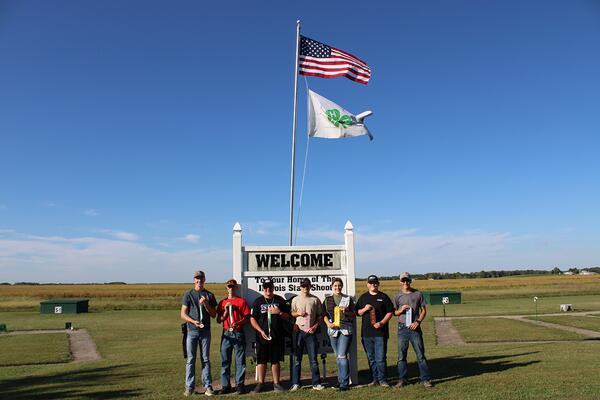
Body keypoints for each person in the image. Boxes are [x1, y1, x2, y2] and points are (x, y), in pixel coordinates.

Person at [180, 270, 218, 396]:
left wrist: (206, 303)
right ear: (194, 280)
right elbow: (183, 314)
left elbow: (213, 315)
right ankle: (189, 387)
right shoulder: (188, 294)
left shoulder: (210, 295)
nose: (199, 281)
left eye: (201, 278)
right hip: (192, 332)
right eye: (197, 278)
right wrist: (192, 321)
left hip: (205, 332)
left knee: (205, 359)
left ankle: (208, 386)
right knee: (191, 360)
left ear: (204, 280)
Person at [249, 278, 290, 393]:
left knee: (275, 360)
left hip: (277, 336)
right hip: (262, 337)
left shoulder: (280, 300)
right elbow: (252, 319)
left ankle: (276, 383)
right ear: (263, 288)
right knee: (261, 360)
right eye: (266, 287)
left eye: (270, 287)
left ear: (273, 288)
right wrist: (260, 331)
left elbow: (288, 316)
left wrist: (280, 312)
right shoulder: (258, 301)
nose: (268, 289)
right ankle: (261, 383)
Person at [393, 272, 433, 388]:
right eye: (403, 280)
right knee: (401, 356)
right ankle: (402, 379)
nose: (405, 283)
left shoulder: (418, 294)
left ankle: (425, 379)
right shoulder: (397, 296)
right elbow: (394, 312)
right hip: (402, 328)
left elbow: (424, 311)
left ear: (410, 281)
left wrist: (418, 322)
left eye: (407, 280)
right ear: (400, 281)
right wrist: (400, 310)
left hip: (415, 328)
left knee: (420, 355)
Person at [356, 274, 394, 387]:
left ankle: (383, 380)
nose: (373, 285)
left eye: (375, 283)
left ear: (378, 284)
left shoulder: (384, 297)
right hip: (366, 333)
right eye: (371, 283)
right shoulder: (363, 297)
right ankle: (374, 379)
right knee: (371, 358)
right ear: (367, 284)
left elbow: (390, 312)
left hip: (380, 333)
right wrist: (365, 309)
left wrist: (382, 322)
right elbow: (357, 313)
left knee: (380, 358)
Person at [216, 278, 250, 395]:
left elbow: (247, 318)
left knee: (240, 360)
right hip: (226, 333)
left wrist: (238, 322)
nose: (231, 288)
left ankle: (239, 385)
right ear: (226, 288)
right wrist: (225, 312)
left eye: (233, 287)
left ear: (236, 288)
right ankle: (225, 386)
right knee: (225, 360)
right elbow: (218, 320)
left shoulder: (241, 301)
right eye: (229, 286)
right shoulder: (222, 303)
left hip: (238, 332)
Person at [290, 278, 325, 391]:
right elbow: (292, 313)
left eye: (307, 286)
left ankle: (316, 383)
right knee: (296, 359)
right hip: (299, 331)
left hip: (311, 332)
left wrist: (315, 327)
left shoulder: (315, 300)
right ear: (300, 287)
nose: (305, 288)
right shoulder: (295, 299)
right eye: (303, 286)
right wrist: (298, 313)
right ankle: (296, 383)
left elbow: (320, 316)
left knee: (313, 359)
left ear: (310, 286)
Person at [322, 277, 356, 391]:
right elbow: (323, 314)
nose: (337, 287)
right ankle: (341, 380)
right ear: (332, 287)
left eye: (339, 285)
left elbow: (354, 314)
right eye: (335, 286)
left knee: (342, 356)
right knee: (338, 357)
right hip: (333, 330)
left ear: (342, 286)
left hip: (345, 330)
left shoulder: (348, 299)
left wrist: (346, 312)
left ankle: (344, 383)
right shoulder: (327, 300)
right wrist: (327, 323)